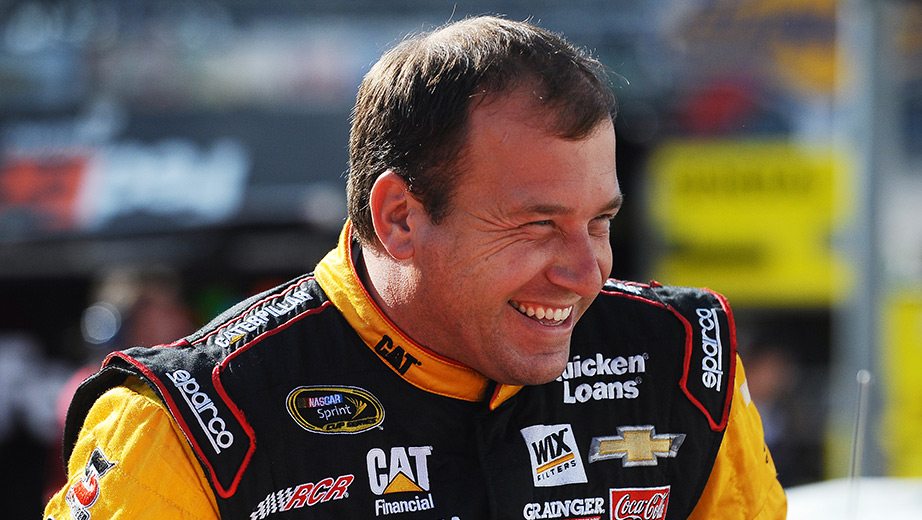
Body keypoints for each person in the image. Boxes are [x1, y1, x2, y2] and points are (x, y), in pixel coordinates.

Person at [44, 15, 786, 520]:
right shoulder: (187, 424)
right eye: (536, 226)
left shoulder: (683, 363)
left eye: (600, 222)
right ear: (400, 218)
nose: (583, 272)